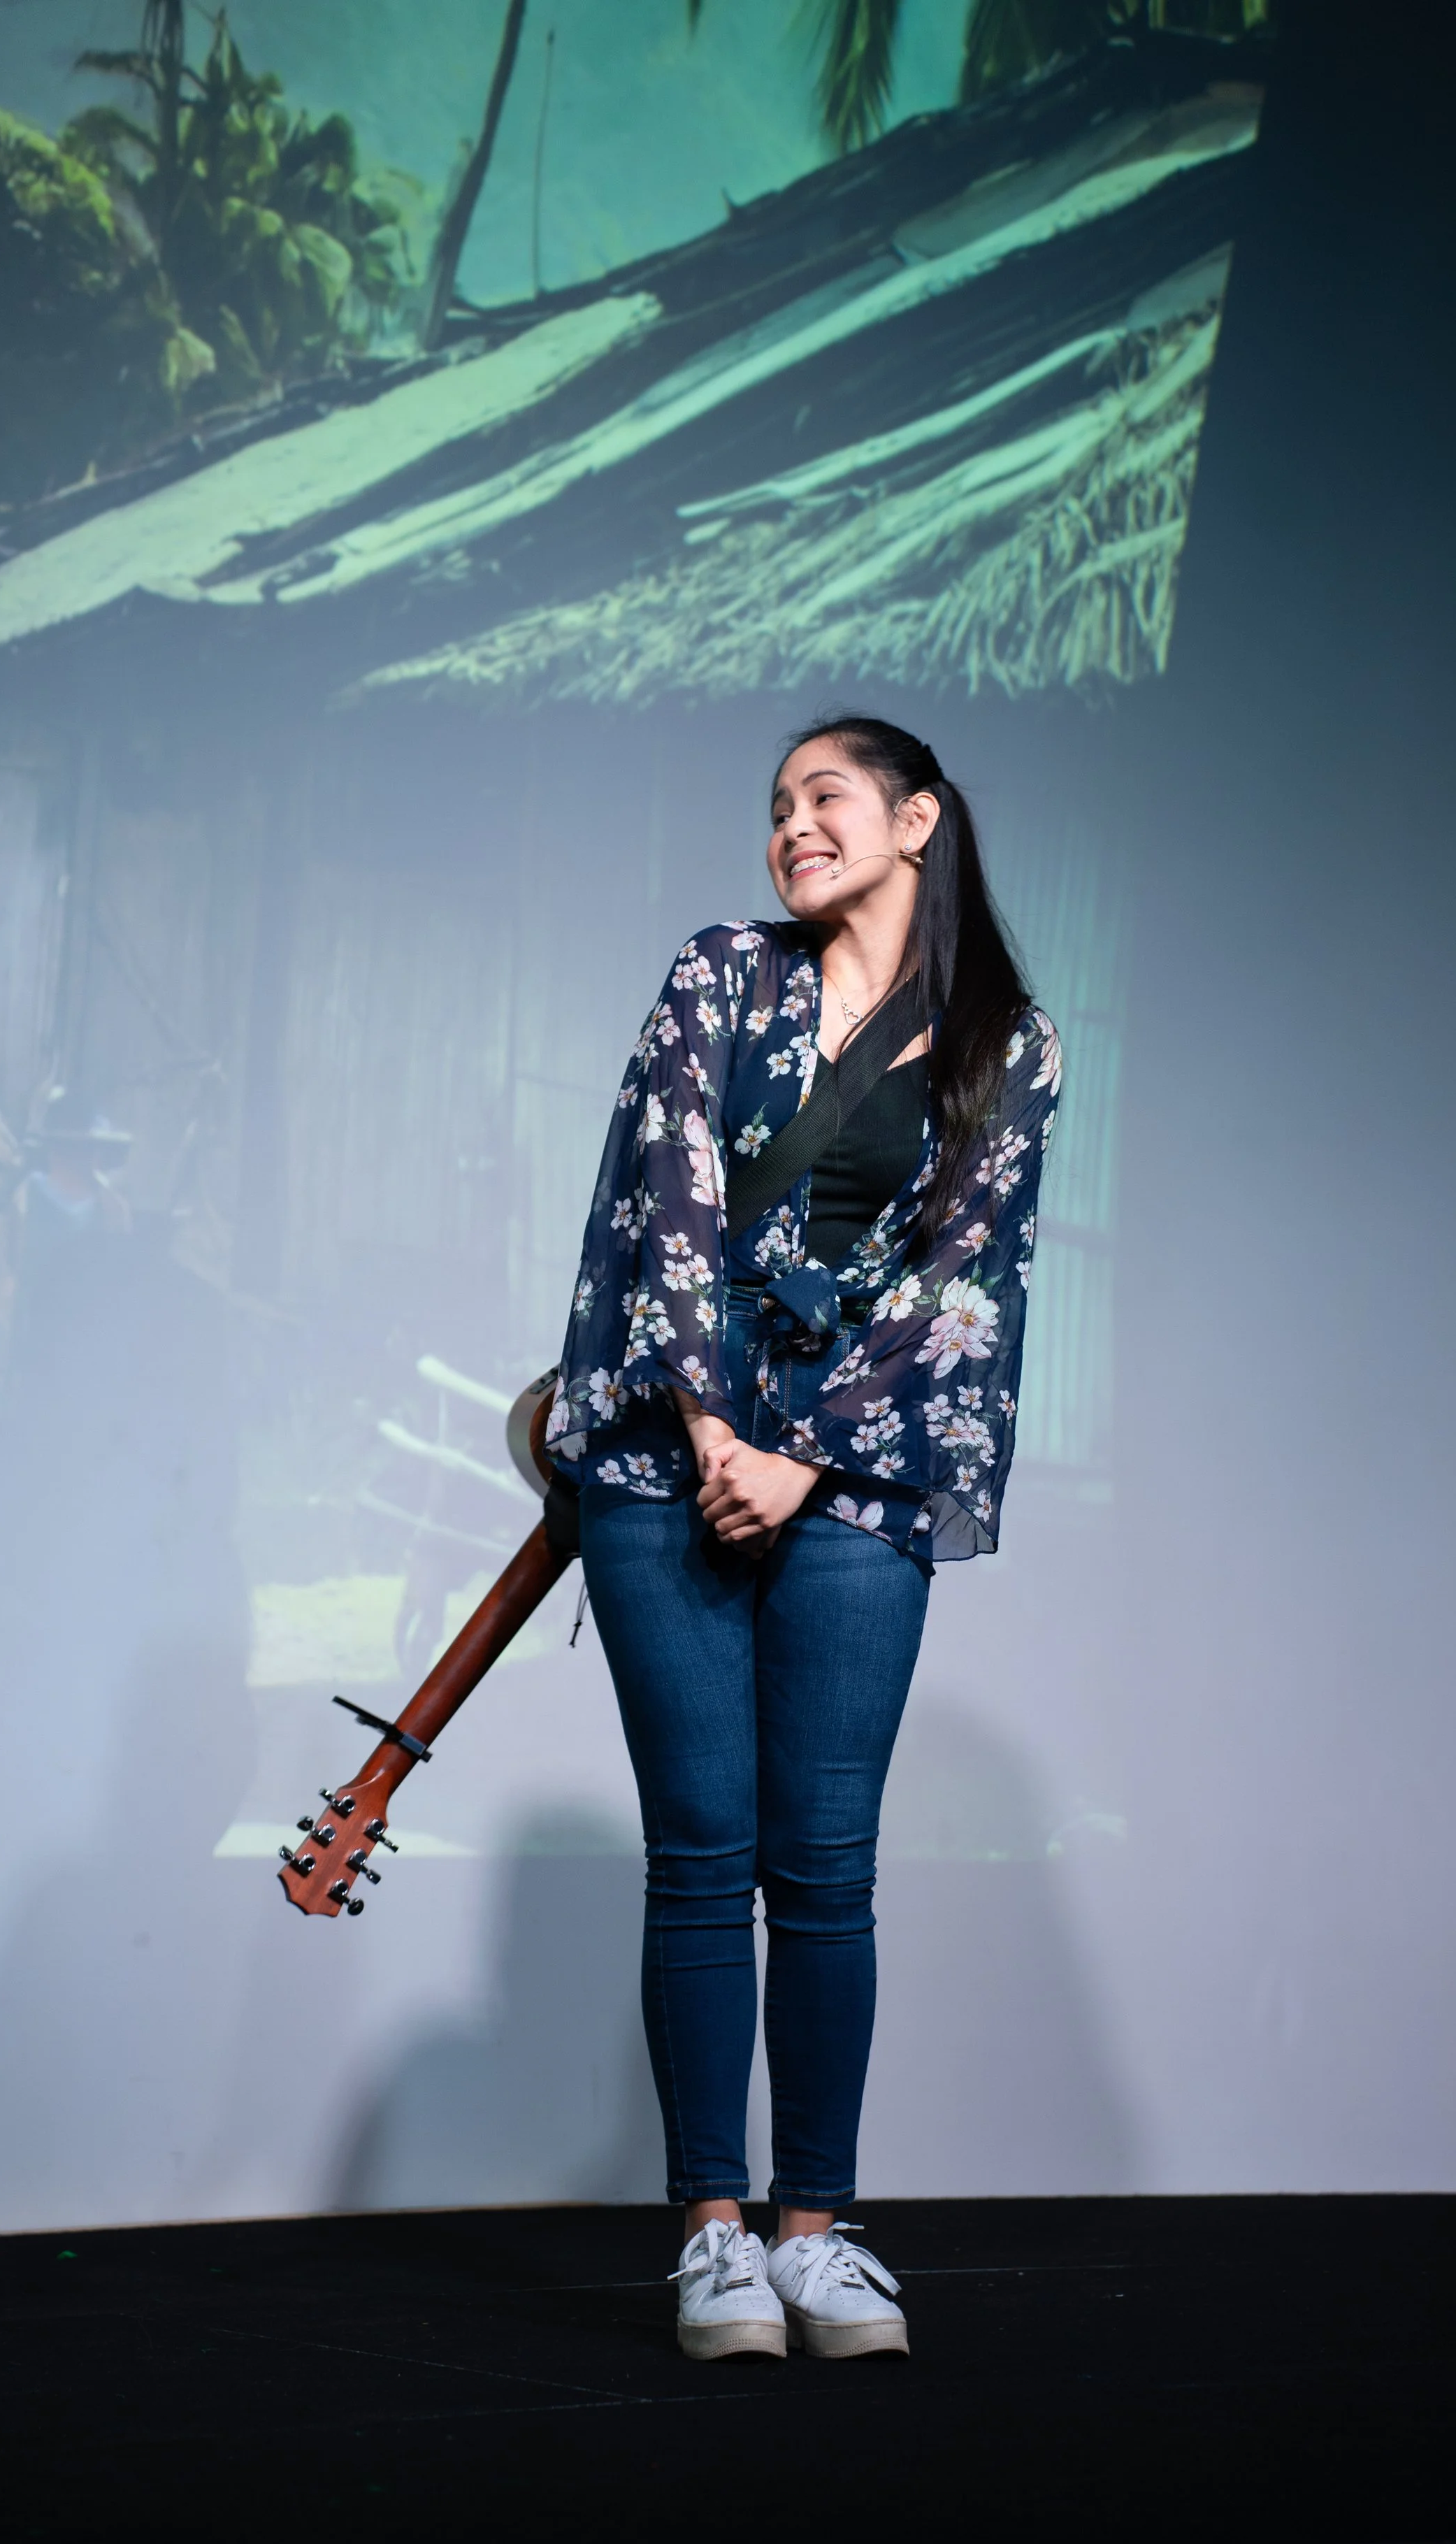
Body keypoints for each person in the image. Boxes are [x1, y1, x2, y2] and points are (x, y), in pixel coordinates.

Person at [547, 716, 1061, 2360]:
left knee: (824, 1865)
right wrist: (714, 1431)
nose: (790, 828)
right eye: (774, 809)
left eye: (822, 798)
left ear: (917, 819)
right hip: (667, 1462)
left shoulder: (1012, 1042)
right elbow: (665, 1206)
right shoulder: (718, 979)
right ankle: (713, 2232)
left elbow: (964, 1281)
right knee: (700, 1849)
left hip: (857, 1477)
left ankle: (821, 2230)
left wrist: (810, 1457)